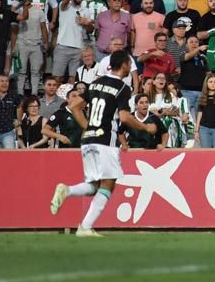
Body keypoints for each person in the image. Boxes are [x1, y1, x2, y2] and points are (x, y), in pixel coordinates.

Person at [49, 52, 154, 236]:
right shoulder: (122, 88)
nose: (131, 67)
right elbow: (124, 116)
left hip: (89, 139)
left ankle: (68, 191)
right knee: (108, 184)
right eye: (129, 64)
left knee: (96, 185)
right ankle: (85, 227)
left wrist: (88, 127)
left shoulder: (95, 84)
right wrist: (145, 127)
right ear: (123, 65)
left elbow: (74, 107)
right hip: (106, 140)